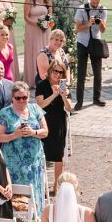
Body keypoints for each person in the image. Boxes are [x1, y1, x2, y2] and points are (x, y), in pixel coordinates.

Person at [0, 82, 48, 217]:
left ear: (28, 96)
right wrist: (15, 135)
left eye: (24, 97)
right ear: (12, 98)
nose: (21, 101)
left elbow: (45, 132)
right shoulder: (5, 113)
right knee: (18, 196)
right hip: (15, 164)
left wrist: (33, 132)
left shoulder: (35, 109)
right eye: (18, 98)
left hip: (34, 161)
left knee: (35, 190)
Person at [36, 59, 72, 188]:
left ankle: (56, 185)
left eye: (61, 72)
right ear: (50, 70)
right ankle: (41, 183)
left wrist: (63, 95)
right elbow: (40, 105)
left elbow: (69, 108)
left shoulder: (64, 87)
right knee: (41, 152)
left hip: (58, 121)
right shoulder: (42, 85)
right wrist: (54, 95)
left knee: (58, 154)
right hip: (44, 120)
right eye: (56, 71)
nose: (57, 74)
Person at [74, 0, 108, 108]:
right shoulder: (81, 9)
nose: (95, 5)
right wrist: (88, 24)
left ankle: (97, 98)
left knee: (98, 73)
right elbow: (77, 28)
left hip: (96, 43)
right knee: (81, 74)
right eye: (93, 3)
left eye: (97, 3)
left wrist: (100, 23)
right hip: (82, 42)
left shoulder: (102, 9)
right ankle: (79, 101)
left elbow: (103, 30)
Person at [23, 0, 53, 87]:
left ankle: (46, 76)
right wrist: (37, 24)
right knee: (35, 52)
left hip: (45, 30)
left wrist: (46, 23)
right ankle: (33, 79)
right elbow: (26, 17)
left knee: (45, 51)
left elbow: (50, 15)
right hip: (33, 29)